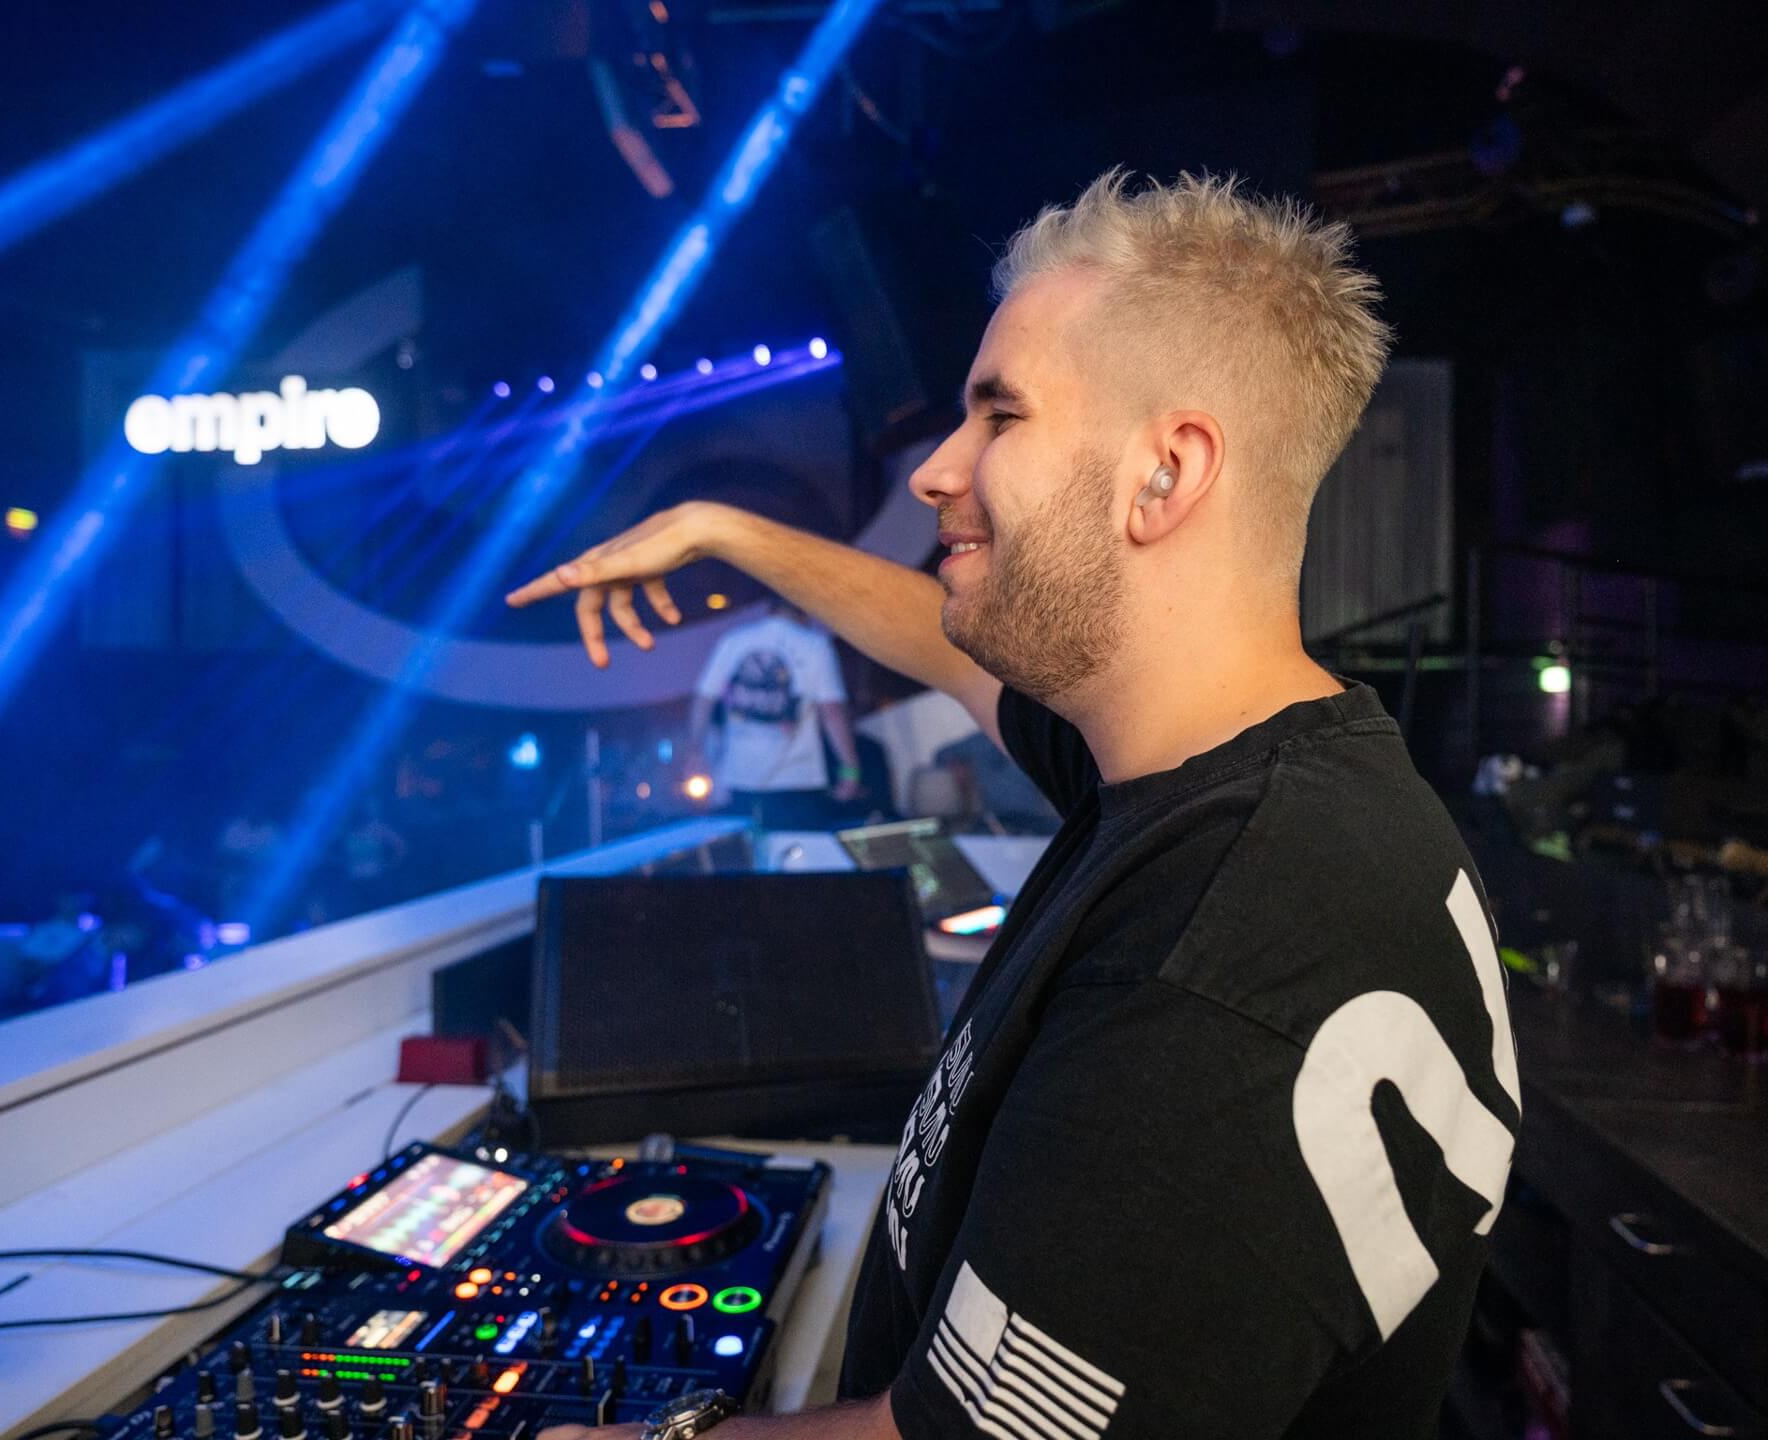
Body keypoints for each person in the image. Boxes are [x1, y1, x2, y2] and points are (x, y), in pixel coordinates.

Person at [510, 170, 1520, 1440]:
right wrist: (732, 533)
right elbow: (944, 646)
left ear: (1166, 473)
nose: (939, 470)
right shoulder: (1234, 783)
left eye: (999, 414)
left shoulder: (1220, 960)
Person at [689, 601, 865, 829]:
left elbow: (703, 701)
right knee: (799, 849)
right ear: (805, 610)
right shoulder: (815, 645)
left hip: (740, 781)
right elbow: (832, 713)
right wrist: (850, 770)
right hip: (797, 781)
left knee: (751, 850)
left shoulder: (733, 641)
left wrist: (696, 753)